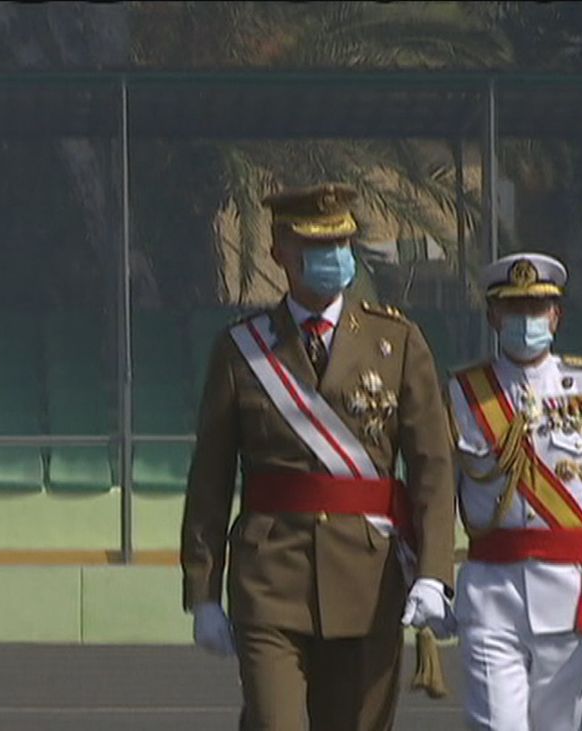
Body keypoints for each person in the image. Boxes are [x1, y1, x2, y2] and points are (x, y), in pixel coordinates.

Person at [180, 183, 457, 731]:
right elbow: (210, 478)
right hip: (270, 574)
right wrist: (202, 590)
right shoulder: (242, 350)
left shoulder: (397, 341)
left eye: (343, 242)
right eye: (316, 244)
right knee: (274, 721)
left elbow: (432, 465)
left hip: (368, 575)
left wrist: (433, 572)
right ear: (281, 251)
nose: (334, 256)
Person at [447, 254, 582, 731]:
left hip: (571, 600)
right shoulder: (463, 394)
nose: (526, 320)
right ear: (493, 317)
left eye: (537, 308)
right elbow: (437, 495)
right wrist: (428, 577)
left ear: (556, 316)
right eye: (514, 309)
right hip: (490, 595)